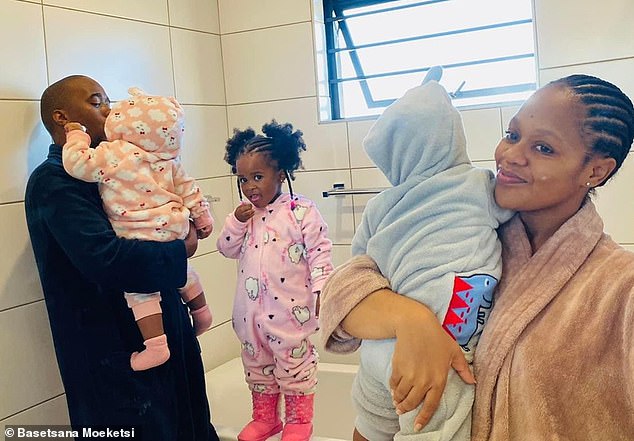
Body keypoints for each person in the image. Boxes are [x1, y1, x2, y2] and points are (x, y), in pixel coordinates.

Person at [320, 73, 634, 441]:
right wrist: (411, 319)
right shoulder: (459, 230)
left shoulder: (620, 290)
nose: (510, 156)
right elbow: (342, 292)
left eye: (543, 148)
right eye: (512, 135)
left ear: (596, 171)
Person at [319, 69, 513, 440]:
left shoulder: (381, 206)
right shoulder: (478, 185)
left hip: (380, 349)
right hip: (439, 347)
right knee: (437, 426)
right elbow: (517, 216)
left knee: (372, 424)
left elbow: (360, 264)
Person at [25, 74, 220, 441]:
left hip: (165, 334)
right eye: (97, 102)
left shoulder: (125, 169)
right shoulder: (55, 182)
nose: (110, 109)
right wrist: (182, 247)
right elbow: (108, 259)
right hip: (114, 354)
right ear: (63, 119)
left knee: (193, 425)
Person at [62, 87, 214, 371]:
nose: (107, 110)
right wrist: (203, 219)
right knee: (181, 270)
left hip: (139, 233)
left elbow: (77, 163)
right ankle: (202, 311)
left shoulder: (113, 153)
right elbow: (189, 189)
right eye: (98, 103)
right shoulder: (167, 158)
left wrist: (77, 136)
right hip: (174, 226)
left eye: (110, 105)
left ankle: (156, 346)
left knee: (141, 292)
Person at [216, 121, 333, 441]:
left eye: (258, 177)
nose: (250, 186)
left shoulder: (302, 211)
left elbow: (320, 253)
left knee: (294, 370)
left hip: (290, 316)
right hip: (249, 317)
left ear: (281, 174)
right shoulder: (244, 216)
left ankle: (298, 420)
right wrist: (235, 223)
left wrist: (323, 289)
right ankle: (265, 418)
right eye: (243, 179)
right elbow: (225, 249)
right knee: (257, 369)